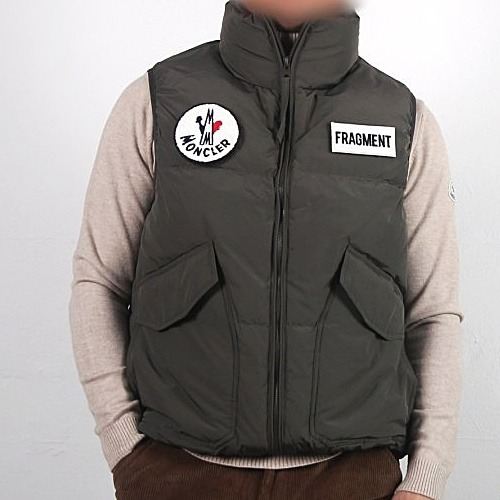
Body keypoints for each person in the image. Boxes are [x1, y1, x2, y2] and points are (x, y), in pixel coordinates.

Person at [68, 0, 464, 498]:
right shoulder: (157, 100)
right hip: (176, 470)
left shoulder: (403, 120)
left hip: (351, 479)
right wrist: (124, 446)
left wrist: (426, 479)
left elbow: (433, 313)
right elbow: (99, 280)